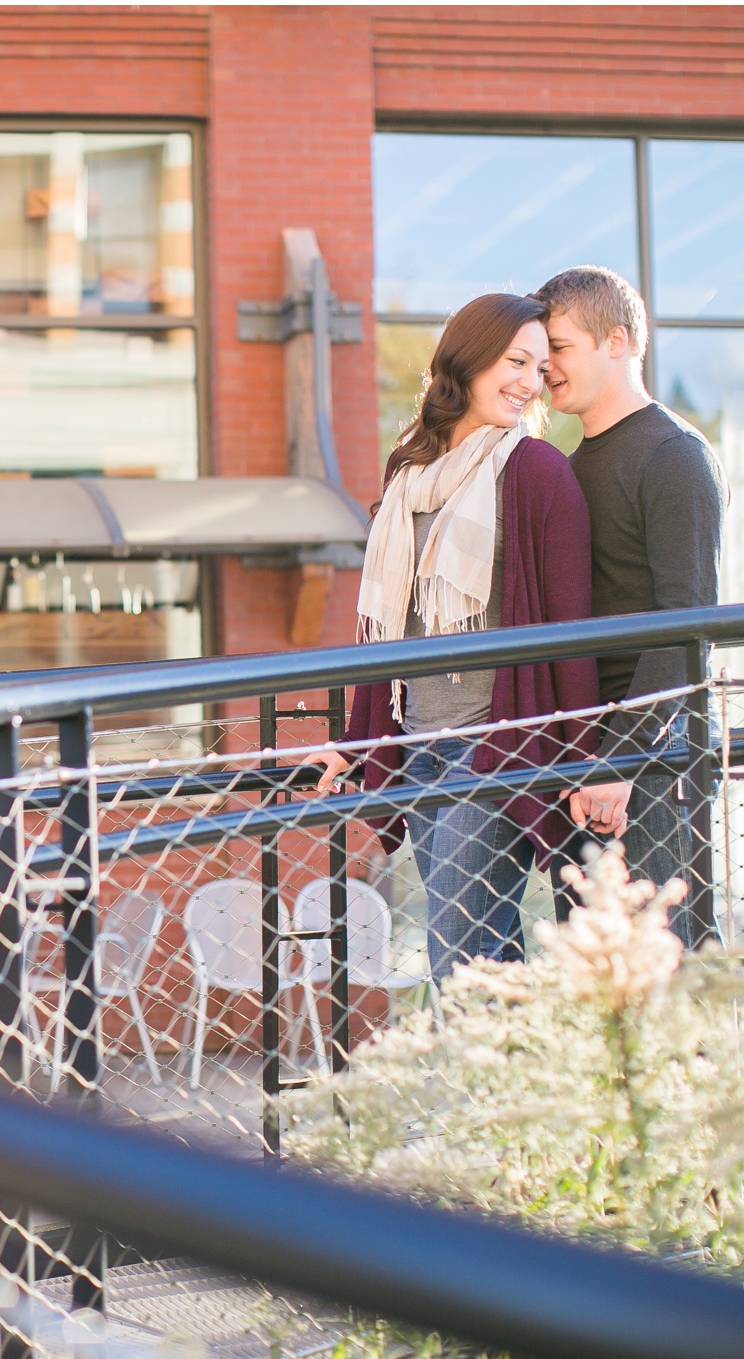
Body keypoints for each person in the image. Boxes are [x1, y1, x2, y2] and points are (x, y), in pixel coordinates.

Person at [315, 293, 599, 983]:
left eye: (539, 366)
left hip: (494, 750)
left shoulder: (537, 473)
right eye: (514, 362)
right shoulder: (407, 474)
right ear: (467, 362)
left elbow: (572, 630)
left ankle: (471, 1087)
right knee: (486, 956)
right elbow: (394, 630)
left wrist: (587, 760)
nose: (529, 382)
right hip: (418, 747)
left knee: (457, 957)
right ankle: (523, 1082)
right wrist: (359, 738)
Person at [531, 265, 727, 946]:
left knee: (672, 969)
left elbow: (688, 624)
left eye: (560, 347)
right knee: (599, 983)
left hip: (651, 759)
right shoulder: (572, 463)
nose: (544, 366)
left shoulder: (674, 455)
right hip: (590, 764)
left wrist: (618, 761)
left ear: (617, 341)